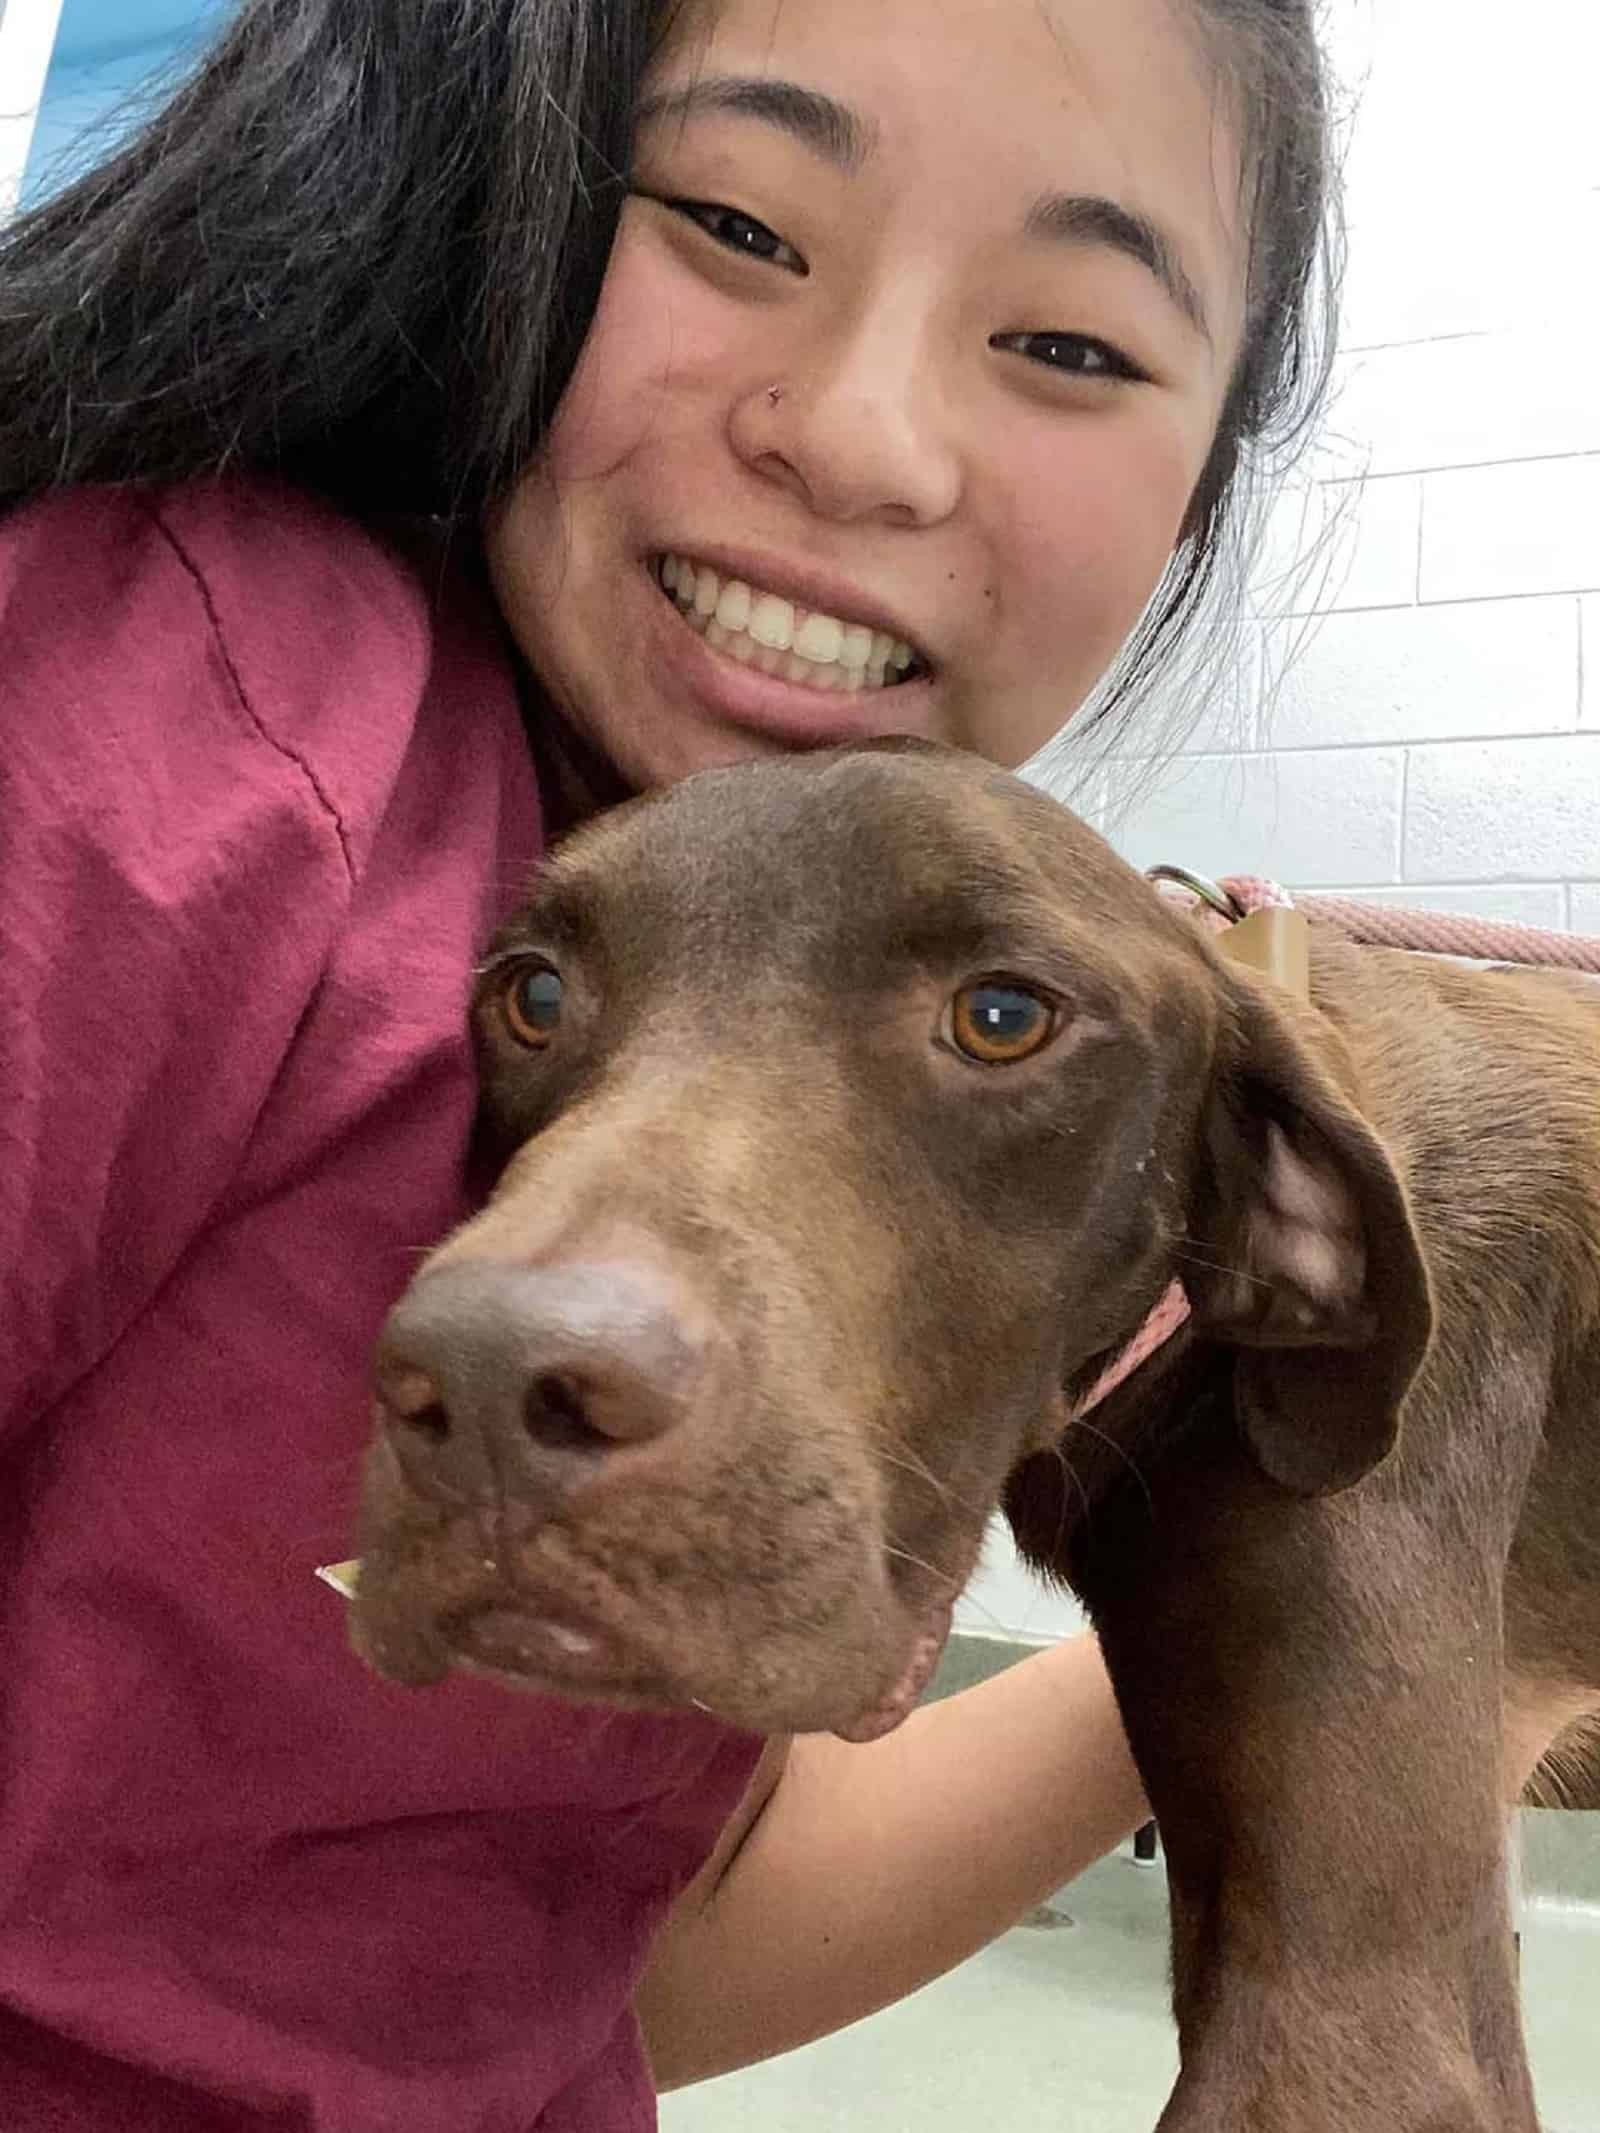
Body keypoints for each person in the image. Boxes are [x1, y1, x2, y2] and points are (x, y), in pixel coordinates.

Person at [0, 0, 1337, 2124]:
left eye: (1070, 346)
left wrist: (1298, 1613)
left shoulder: (866, 1058)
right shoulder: (187, 724)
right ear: (493, 212)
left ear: (1197, 488)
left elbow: (573, 1956)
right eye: (732, 219)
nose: (868, 439)